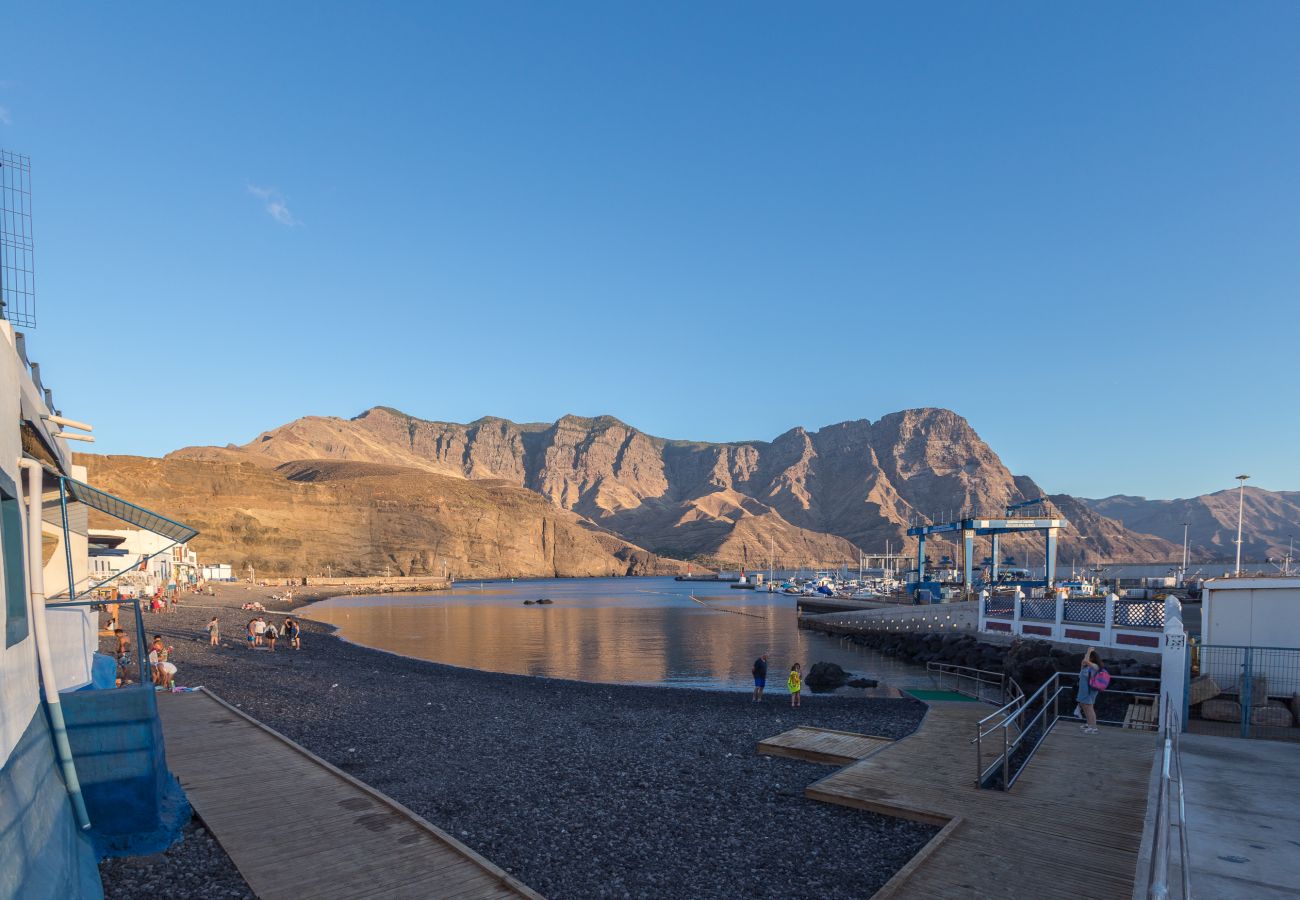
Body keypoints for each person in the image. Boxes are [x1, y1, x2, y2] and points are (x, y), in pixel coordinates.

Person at [1077, 647, 1105, 734]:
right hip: (1083, 690)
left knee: (1089, 708)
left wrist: (1088, 651)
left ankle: (1093, 727)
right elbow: (1083, 664)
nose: (1085, 657)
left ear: (1092, 658)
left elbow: (1085, 661)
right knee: (1085, 706)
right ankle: (1089, 724)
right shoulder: (1086, 666)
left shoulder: (1095, 666)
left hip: (1089, 691)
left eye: (1087, 656)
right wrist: (1087, 655)